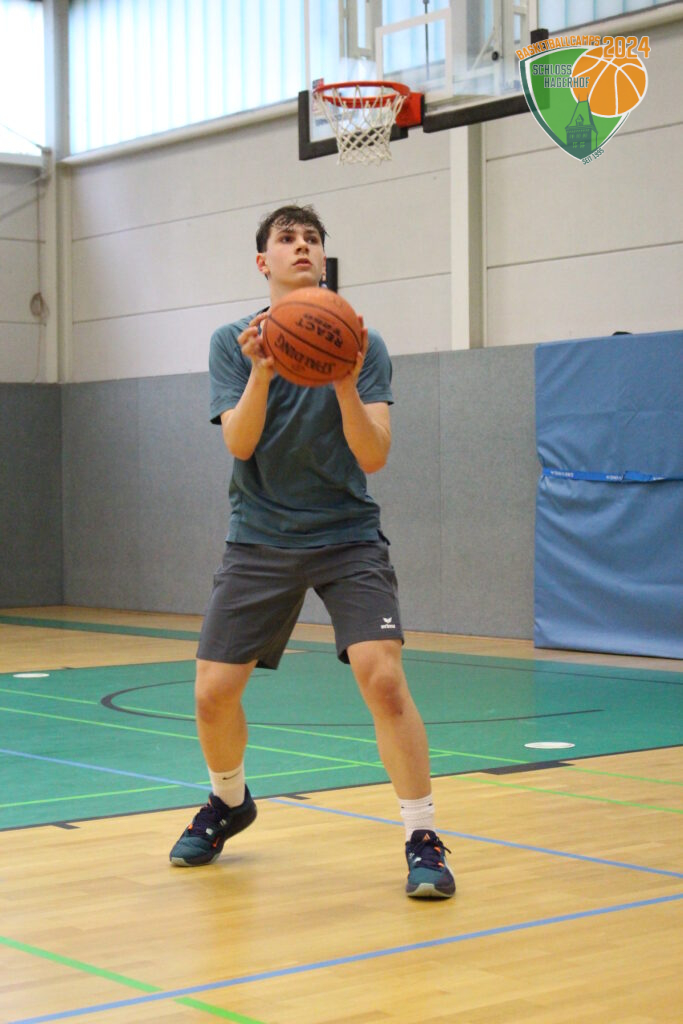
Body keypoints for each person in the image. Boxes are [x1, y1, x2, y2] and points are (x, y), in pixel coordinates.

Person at [169, 204, 455, 899]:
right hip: (260, 536)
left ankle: (422, 836)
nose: (301, 246)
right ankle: (229, 801)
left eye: (312, 239)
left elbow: (373, 455)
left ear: (323, 260)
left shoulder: (363, 344)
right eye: (286, 238)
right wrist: (263, 372)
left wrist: (344, 381)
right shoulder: (232, 342)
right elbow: (239, 443)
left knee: (383, 679)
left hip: (346, 534)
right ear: (262, 262)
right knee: (211, 695)